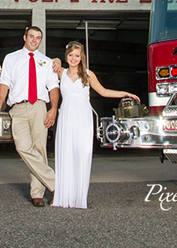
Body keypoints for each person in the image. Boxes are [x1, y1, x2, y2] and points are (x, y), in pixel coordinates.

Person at [51, 41, 139, 209]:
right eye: (70, 55)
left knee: (82, 153)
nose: (74, 58)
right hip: (66, 117)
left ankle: (79, 197)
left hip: (83, 116)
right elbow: (45, 63)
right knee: (66, 152)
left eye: (77, 55)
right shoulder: (60, 72)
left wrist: (125, 93)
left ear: (81, 57)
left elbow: (104, 92)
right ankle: (65, 197)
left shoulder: (88, 74)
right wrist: (55, 59)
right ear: (66, 57)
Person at [0, 26, 59, 207]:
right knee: (23, 147)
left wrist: (53, 108)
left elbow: (53, 87)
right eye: (31, 36)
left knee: (40, 148)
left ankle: (37, 193)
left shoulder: (47, 61)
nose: (34, 40)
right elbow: (4, 82)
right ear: (25, 37)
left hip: (40, 106)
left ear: (41, 40)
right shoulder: (11, 58)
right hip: (17, 107)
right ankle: (56, 184)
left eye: (38, 38)